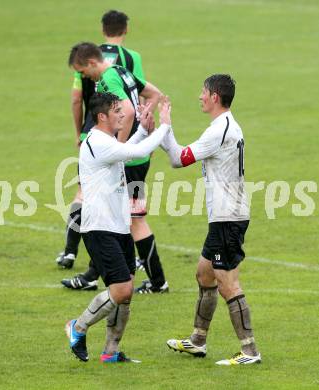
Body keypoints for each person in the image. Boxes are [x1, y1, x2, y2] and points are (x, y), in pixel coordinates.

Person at [162, 74, 261, 365]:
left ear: (215, 96)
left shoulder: (219, 131)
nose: (200, 96)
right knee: (204, 273)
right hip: (224, 216)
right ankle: (198, 341)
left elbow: (178, 159)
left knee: (227, 282)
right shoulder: (224, 126)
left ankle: (250, 351)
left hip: (228, 217)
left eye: (203, 92)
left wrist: (163, 128)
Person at [65, 92, 171, 363]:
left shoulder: (105, 140)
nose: (124, 114)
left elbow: (125, 152)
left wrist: (144, 130)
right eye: (117, 111)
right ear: (102, 116)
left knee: (126, 294)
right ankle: (77, 327)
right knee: (121, 289)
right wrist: (164, 127)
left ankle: (110, 352)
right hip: (100, 228)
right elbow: (136, 152)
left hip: (119, 226)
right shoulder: (99, 141)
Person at [64, 41, 169, 294]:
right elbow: (154, 94)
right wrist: (145, 125)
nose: (83, 76)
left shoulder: (109, 78)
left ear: (91, 63)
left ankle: (157, 282)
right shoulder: (122, 70)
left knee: (131, 220)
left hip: (130, 159)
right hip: (136, 154)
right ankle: (104, 273)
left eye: (82, 71)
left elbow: (129, 110)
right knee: (124, 217)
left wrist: (117, 148)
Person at [56, 10, 145, 280]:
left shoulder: (87, 57)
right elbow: (137, 94)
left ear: (103, 29)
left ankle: (71, 251)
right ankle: (131, 265)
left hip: (94, 134)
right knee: (130, 201)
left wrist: (79, 131)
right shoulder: (132, 59)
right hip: (124, 134)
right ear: (125, 29)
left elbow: (75, 98)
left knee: (85, 195)